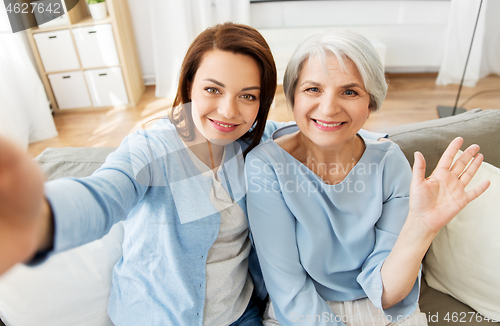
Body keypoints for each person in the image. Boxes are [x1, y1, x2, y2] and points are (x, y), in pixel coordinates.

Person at [0, 23, 385, 325]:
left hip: (240, 316)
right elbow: (103, 195)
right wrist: (38, 218)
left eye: (247, 96)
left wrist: (379, 142)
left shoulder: (257, 141)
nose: (229, 111)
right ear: (188, 86)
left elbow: (316, 126)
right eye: (213, 90)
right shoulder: (154, 147)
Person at [245, 29, 490, 326]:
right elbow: (289, 290)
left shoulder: (389, 161)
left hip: (382, 311)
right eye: (313, 89)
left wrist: (423, 227)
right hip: (301, 312)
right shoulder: (265, 166)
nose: (329, 108)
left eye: (350, 91)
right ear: (293, 97)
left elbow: (387, 293)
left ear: (371, 102)